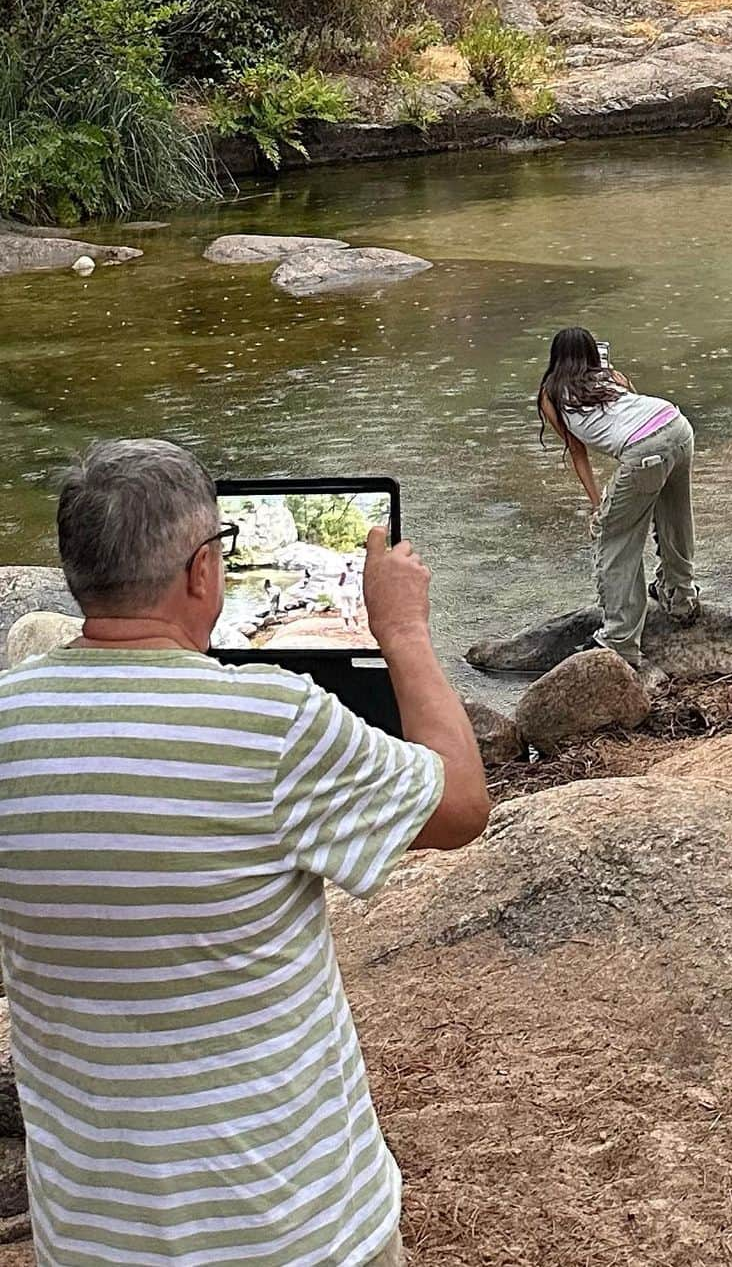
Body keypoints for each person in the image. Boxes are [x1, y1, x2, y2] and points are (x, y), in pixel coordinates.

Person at [0, 439, 490, 1267]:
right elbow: (461, 805)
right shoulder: (273, 722)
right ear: (202, 571)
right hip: (294, 1228)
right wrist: (402, 630)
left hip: (93, 1236)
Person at [537, 326, 699, 668]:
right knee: (675, 518)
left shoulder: (551, 394)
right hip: (676, 423)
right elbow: (632, 410)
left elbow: (578, 453)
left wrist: (598, 506)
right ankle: (680, 597)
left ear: (556, 357)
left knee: (614, 538)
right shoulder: (611, 377)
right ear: (592, 354)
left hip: (645, 449)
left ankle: (620, 641)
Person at [338, 555, 362, 629]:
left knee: (344, 607)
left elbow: (341, 582)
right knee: (353, 607)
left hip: (344, 590)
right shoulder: (355, 571)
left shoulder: (344, 572)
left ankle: (346, 625)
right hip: (352, 589)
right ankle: (357, 624)